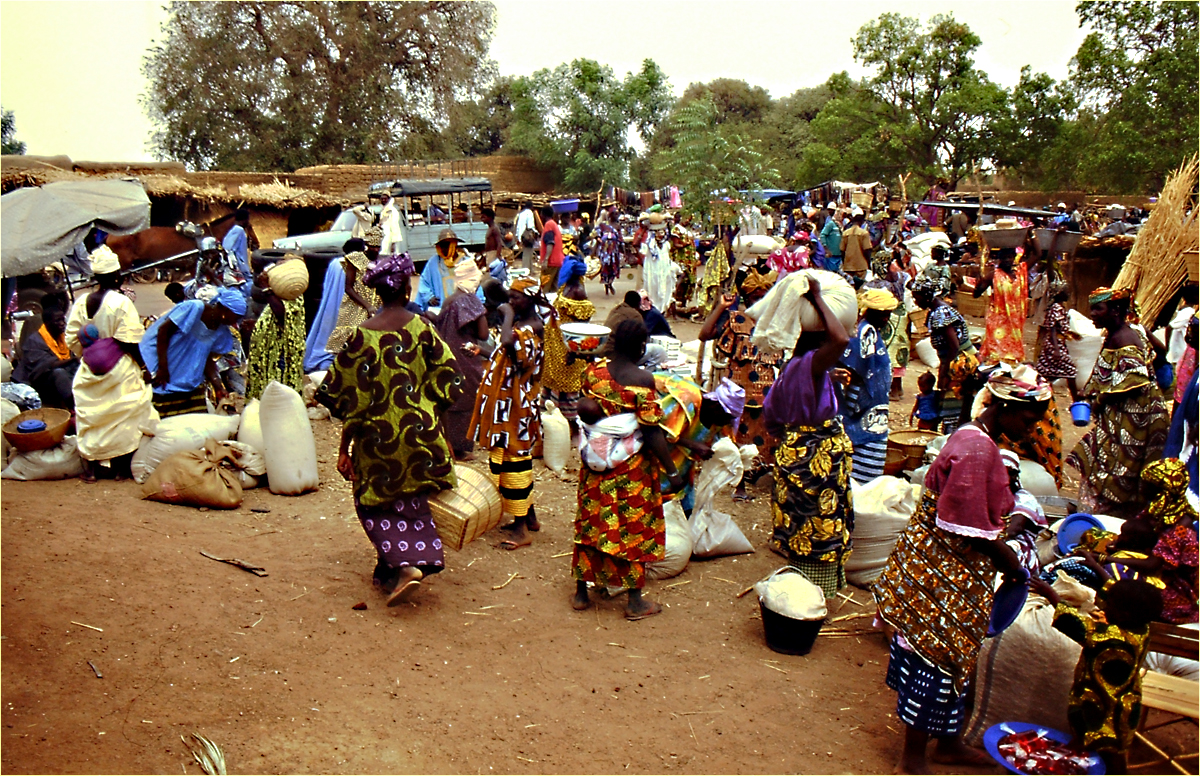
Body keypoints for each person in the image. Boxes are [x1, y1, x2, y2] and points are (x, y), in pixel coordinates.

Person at [873, 369, 1049, 775]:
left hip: (943, 566)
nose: (1031, 429)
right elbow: (974, 535)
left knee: (957, 657)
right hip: (942, 571)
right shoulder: (978, 451)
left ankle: (949, 744)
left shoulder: (974, 434)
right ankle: (912, 760)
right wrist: (1015, 567)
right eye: (1028, 419)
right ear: (1006, 407)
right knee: (934, 659)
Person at [317, 252, 461, 606]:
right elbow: (448, 385)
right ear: (407, 291)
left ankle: (402, 564)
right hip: (421, 436)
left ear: (378, 293)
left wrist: (342, 450)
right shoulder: (423, 329)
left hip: (376, 441)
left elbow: (348, 400)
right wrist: (441, 434)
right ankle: (398, 565)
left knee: (373, 503)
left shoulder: (359, 338)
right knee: (412, 500)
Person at [571, 318, 684, 619]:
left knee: (591, 523)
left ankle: (582, 592)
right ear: (640, 346)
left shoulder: (593, 373)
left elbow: (585, 408)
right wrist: (672, 472)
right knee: (633, 527)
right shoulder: (642, 381)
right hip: (630, 471)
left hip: (595, 465)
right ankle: (635, 601)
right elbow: (651, 431)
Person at [764, 278, 853, 597]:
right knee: (820, 528)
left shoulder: (794, 369)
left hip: (794, 456)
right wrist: (817, 297)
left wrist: (827, 377)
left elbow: (771, 414)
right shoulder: (810, 366)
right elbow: (840, 339)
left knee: (799, 525)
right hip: (817, 462)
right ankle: (815, 597)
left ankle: (800, 592)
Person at [1029, 575, 1162, 774]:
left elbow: (1074, 624)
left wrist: (1050, 593)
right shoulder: (1142, 628)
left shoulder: (1112, 638)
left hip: (1105, 710)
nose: (1104, 606)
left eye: (1110, 604)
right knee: (1108, 749)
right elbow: (1116, 593)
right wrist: (1095, 565)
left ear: (1124, 614)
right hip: (1126, 703)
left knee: (1106, 750)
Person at [1067, 287, 1170, 519]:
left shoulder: (1124, 337)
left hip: (1136, 419)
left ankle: (1109, 516)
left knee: (1119, 468)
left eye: (1097, 308)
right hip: (1138, 414)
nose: (1092, 313)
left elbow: (1135, 377)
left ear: (1115, 310)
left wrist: (1099, 400)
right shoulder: (1132, 329)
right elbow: (1160, 350)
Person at [65, 247, 157, 483]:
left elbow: (72, 339)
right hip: (119, 370)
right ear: (117, 276)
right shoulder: (120, 302)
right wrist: (145, 368)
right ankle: (119, 469)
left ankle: (93, 469)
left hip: (90, 369)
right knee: (124, 418)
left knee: (92, 419)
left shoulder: (81, 302)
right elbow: (131, 341)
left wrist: (91, 351)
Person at [468, 277, 545, 551]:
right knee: (507, 462)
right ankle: (529, 517)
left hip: (517, 409)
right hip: (507, 408)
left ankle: (522, 528)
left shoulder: (532, 327)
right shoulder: (523, 325)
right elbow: (504, 353)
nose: (512, 302)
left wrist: (508, 316)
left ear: (531, 300)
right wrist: (482, 351)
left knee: (515, 464)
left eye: (517, 297)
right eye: (510, 297)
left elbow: (511, 345)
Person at [699, 274, 782, 501]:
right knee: (740, 439)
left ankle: (765, 474)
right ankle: (740, 485)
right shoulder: (736, 320)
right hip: (740, 392)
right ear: (746, 298)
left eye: (762, 297)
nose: (758, 302)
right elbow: (704, 335)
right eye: (754, 297)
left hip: (769, 392)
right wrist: (720, 307)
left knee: (768, 436)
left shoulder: (775, 322)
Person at [140, 288, 245, 417]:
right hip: (163, 361)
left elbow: (207, 358)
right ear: (225, 309)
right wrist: (162, 367)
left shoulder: (221, 331)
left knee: (194, 420)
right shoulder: (194, 308)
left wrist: (218, 386)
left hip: (187, 375)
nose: (235, 322)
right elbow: (163, 331)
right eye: (235, 317)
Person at [431, 263, 491, 461]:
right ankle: (461, 448)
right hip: (467, 357)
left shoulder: (449, 300)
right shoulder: (471, 301)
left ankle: (449, 441)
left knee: (452, 400)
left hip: (448, 357)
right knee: (467, 402)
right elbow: (483, 334)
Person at [656, 376, 740, 511]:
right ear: (715, 405)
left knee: (687, 509)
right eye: (726, 417)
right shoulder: (687, 400)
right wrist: (693, 445)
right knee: (660, 507)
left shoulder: (719, 417)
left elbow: (726, 440)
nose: (726, 423)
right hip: (658, 460)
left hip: (681, 467)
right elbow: (656, 432)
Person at [839, 289, 897, 483]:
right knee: (865, 471)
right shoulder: (865, 332)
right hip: (864, 408)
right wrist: (856, 400)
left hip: (872, 407)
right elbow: (854, 368)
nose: (886, 318)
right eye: (882, 313)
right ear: (869, 311)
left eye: (888, 313)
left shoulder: (870, 331)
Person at [912, 275, 977, 435]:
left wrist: (944, 372)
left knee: (952, 404)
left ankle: (953, 437)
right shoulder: (937, 310)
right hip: (954, 362)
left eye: (917, 298)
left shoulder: (941, 314)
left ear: (927, 296)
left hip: (958, 365)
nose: (915, 302)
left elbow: (954, 346)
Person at [542, 257, 595, 440]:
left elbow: (582, 326)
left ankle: (571, 432)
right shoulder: (571, 289)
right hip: (557, 345)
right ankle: (559, 429)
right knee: (556, 385)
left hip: (566, 348)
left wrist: (574, 351)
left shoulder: (576, 292)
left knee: (567, 388)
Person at [245, 258, 305, 400]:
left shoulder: (292, 297)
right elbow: (273, 316)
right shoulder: (280, 296)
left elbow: (281, 314)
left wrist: (266, 288)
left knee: (278, 388)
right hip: (268, 351)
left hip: (280, 353)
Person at [12, 291, 79, 410]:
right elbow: (49, 365)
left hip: (60, 372)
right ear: (47, 323)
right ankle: (73, 407)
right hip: (40, 380)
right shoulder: (35, 340)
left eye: (63, 320)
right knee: (59, 373)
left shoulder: (62, 337)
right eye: (58, 321)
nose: (62, 324)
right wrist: (73, 359)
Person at [326, 235, 381, 354]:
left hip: (374, 306)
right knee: (351, 340)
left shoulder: (380, 262)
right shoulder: (355, 259)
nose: (376, 250)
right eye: (373, 247)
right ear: (367, 246)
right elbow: (348, 287)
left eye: (378, 247)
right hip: (356, 305)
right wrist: (367, 305)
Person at [974, 247, 1028, 365]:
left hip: (1015, 320)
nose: (1008, 260)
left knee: (1012, 354)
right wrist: (980, 282)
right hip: (998, 320)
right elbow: (976, 294)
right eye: (1004, 257)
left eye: (1010, 257)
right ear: (999, 259)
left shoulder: (1019, 273)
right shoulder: (992, 275)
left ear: (1014, 258)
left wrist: (1031, 234)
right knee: (997, 353)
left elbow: (1038, 254)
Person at [1035, 280, 1080, 403]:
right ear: (1059, 293)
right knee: (1071, 370)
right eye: (1066, 291)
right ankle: (1076, 400)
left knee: (1046, 372)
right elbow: (1053, 329)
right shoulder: (1056, 308)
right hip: (1054, 345)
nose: (1068, 294)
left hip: (1056, 344)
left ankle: (1038, 393)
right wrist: (1056, 349)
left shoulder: (1059, 308)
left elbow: (1059, 328)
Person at [640, 219, 677, 315]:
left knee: (665, 293)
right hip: (652, 273)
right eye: (657, 232)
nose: (660, 234)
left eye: (662, 232)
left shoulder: (666, 244)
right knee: (652, 292)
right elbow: (639, 248)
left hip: (664, 273)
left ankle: (662, 312)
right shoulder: (649, 245)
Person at [592, 208, 623, 296]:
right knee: (605, 269)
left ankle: (610, 283)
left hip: (614, 251)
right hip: (604, 252)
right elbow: (596, 235)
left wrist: (623, 252)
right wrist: (598, 241)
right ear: (610, 215)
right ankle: (606, 286)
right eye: (615, 214)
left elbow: (620, 240)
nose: (616, 216)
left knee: (613, 269)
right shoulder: (603, 225)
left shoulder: (617, 226)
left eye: (617, 214)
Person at [222, 209, 253, 293]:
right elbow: (228, 249)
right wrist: (238, 267)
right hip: (239, 267)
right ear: (245, 220)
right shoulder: (238, 230)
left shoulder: (235, 230)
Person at [840, 210, 873, 280]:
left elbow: (842, 250)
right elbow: (867, 250)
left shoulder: (845, 233)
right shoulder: (864, 233)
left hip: (848, 266)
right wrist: (868, 263)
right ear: (861, 221)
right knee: (860, 286)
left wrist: (845, 262)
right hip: (861, 265)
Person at [539, 206, 565, 292]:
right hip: (558, 261)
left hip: (551, 262)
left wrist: (546, 260)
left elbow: (550, 243)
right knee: (554, 289)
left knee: (544, 288)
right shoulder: (554, 224)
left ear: (543, 215)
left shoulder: (548, 225)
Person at [514, 200, 539, 272]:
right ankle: (525, 270)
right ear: (531, 206)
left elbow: (518, 227)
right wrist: (536, 233)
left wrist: (518, 238)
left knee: (528, 254)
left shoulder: (521, 213)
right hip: (528, 237)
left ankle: (530, 270)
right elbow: (530, 226)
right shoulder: (530, 213)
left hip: (522, 237)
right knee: (527, 255)